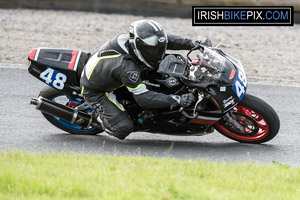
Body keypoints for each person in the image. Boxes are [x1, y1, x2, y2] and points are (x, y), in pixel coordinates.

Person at [80, 20, 212, 140]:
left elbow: (166, 41)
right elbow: (143, 99)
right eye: (153, 50)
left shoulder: (135, 42)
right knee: (123, 128)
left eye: (160, 49)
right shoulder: (128, 69)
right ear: (139, 45)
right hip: (97, 91)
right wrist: (177, 99)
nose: (158, 53)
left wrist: (193, 43)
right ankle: (98, 116)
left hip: (111, 73)